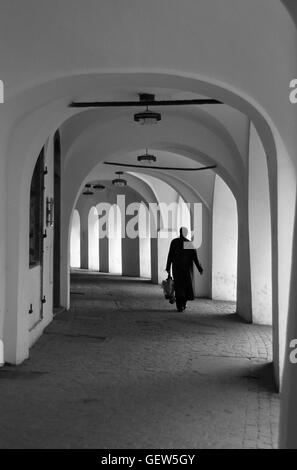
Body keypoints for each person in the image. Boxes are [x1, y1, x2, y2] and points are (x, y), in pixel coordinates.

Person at [166, 227, 203, 312]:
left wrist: (168, 267)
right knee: (186, 287)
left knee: (178, 287)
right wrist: (199, 268)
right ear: (186, 233)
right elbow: (195, 258)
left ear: (180, 232)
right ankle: (183, 304)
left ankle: (179, 306)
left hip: (176, 269)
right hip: (186, 270)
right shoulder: (189, 243)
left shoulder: (174, 242)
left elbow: (170, 255)